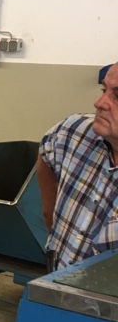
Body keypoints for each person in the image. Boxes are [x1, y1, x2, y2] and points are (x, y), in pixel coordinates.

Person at [37, 63, 118, 270]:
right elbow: (46, 153)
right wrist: (52, 221)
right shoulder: (75, 132)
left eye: (117, 96)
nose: (99, 103)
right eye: (104, 90)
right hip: (58, 277)